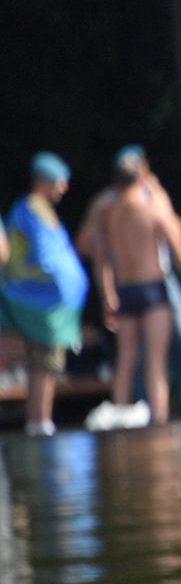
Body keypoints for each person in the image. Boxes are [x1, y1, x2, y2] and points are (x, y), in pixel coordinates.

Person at [74, 146, 181, 420]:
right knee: (156, 364)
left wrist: (108, 293)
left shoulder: (108, 212)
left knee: (126, 359)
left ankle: (121, 416)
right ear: (142, 176)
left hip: (125, 289)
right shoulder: (152, 207)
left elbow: (99, 258)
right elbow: (178, 246)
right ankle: (159, 419)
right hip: (152, 288)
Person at [0, 154, 88, 437]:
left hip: (49, 301)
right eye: (59, 181)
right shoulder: (29, 210)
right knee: (42, 362)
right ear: (44, 181)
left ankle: (41, 421)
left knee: (48, 363)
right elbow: (42, 256)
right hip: (37, 300)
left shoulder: (38, 209)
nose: (63, 187)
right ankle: (38, 423)